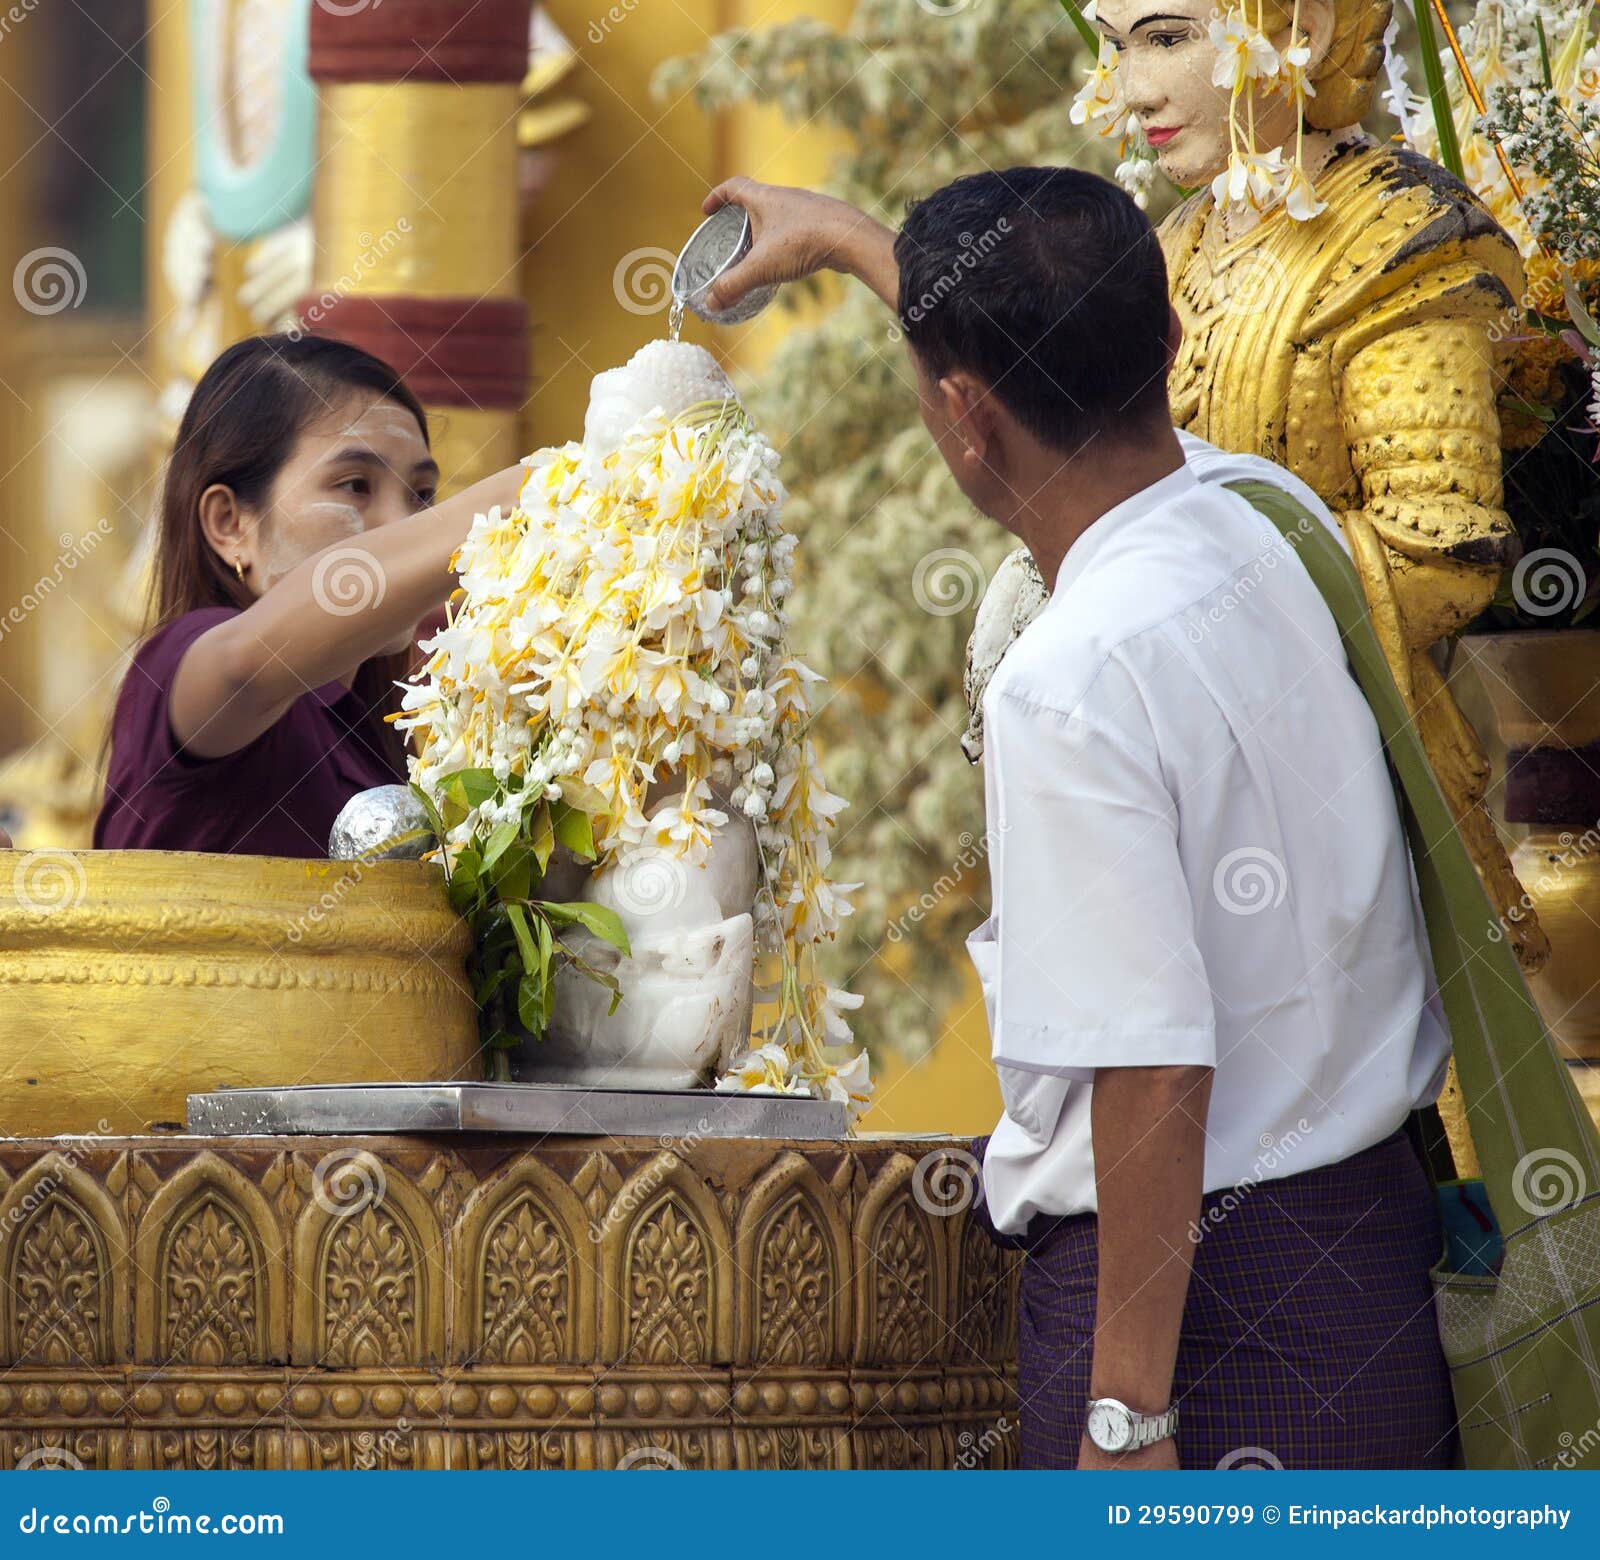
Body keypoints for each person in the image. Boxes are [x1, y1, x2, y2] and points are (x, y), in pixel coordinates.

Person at [706, 164, 1456, 1469]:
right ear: (1164, 341)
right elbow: (1024, 366)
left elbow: (1154, 1065)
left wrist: (1128, 1413)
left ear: (964, 421)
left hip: (1206, 1332)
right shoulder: (1263, 520)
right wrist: (850, 239)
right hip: (1369, 1271)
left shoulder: (1071, 680)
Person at [95, 334, 524, 856]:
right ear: (230, 523)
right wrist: (540, 488)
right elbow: (245, 664)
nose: (404, 522)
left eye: (422, 496)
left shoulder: (373, 740)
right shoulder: (183, 663)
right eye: (355, 485)